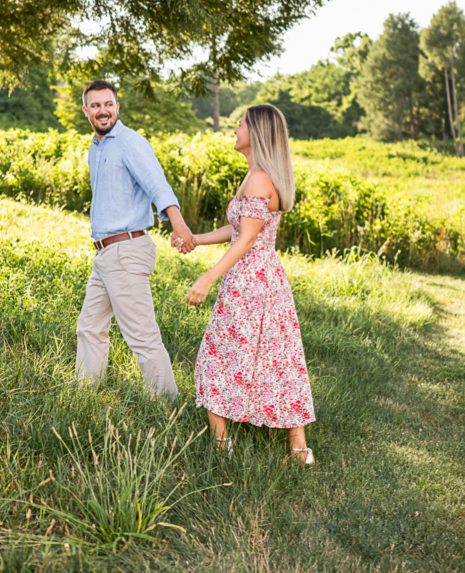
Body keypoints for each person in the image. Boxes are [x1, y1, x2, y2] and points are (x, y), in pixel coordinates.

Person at [185, 104, 316, 463]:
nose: (235, 128)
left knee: (218, 357)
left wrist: (208, 277)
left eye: (240, 123)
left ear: (255, 132)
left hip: (250, 282)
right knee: (276, 358)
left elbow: (245, 240)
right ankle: (298, 449)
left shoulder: (259, 178)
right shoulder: (257, 176)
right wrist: (197, 239)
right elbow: (239, 228)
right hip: (262, 279)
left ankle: (221, 449)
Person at [75, 80, 195, 400]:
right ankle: (85, 395)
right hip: (105, 254)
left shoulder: (130, 142)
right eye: (96, 105)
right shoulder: (96, 147)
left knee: (142, 336)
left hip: (126, 250)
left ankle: (168, 404)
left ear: (118, 106)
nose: (103, 110)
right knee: (89, 327)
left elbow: (158, 185)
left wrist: (179, 225)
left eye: (109, 104)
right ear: (86, 110)